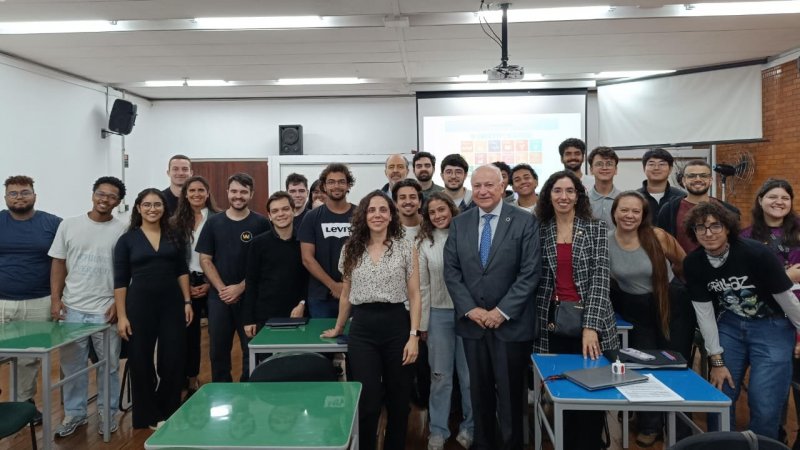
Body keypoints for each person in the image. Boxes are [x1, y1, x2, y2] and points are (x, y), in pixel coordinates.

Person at [443, 165, 540, 450]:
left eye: (489, 185)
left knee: (511, 395)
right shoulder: (460, 223)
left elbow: (530, 272)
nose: (483, 191)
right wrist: (471, 309)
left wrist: (501, 312)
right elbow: (452, 271)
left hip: (510, 325)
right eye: (478, 186)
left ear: (502, 187)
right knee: (478, 392)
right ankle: (483, 444)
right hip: (473, 324)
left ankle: (512, 445)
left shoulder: (524, 221)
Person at [684, 202, 800, 439]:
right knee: (721, 393)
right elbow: (704, 314)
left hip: (773, 326)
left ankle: (762, 445)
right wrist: (716, 361)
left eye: (715, 226)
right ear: (693, 232)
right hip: (731, 326)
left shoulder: (755, 253)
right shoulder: (694, 263)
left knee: (765, 400)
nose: (709, 233)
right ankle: (722, 445)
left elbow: (787, 300)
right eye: (700, 228)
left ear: (727, 228)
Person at [321, 190, 421, 450]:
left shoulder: (404, 248)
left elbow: (414, 294)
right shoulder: (350, 248)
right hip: (363, 328)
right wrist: (339, 327)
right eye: (371, 210)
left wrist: (414, 336)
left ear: (391, 215)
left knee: (399, 400)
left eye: (383, 210)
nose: (377, 215)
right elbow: (346, 295)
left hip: (397, 325)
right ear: (363, 215)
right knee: (368, 400)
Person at [533, 170, 617, 450]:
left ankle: (592, 443)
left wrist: (590, 327)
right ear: (549, 195)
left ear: (578, 196)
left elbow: (600, 280)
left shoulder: (595, 228)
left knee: (591, 392)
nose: (564, 197)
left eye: (570, 191)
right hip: (551, 323)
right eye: (557, 191)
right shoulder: (539, 229)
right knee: (562, 391)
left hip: (589, 323)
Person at [49, 176, 127, 437]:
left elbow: (127, 271)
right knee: (73, 367)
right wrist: (55, 299)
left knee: (110, 366)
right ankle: (75, 414)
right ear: (93, 194)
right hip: (72, 308)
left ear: (118, 201)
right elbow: (58, 263)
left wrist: (119, 305)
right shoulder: (69, 225)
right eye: (101, 194)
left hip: (105, 310)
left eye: (112, 196)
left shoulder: (123, 229)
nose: (105, 199)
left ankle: (108, 412)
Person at [608, 191, 685, 447]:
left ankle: (679, 426)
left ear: (643, 215)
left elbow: (682, 264)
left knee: (675, 363)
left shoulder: (658, 236)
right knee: (644, 365)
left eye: (635, 211)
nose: (629, 215)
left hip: (670, 304)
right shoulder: (606, 242)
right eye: (624, 210)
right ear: (615, 212)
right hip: (634, 308)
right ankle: (650, 424)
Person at [114, 188, 193, 429]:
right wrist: (122, 316)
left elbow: (182, 270)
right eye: (147, 205)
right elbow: (120, 280)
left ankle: (168, 409)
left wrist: (188, 301)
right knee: (140, 359)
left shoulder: (175, 235)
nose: (152, 209)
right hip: (139, 305)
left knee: (173, 358)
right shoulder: (127, 240)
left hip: (172, 303)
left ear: (164, 208)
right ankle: (147, 414)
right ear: (138, 208)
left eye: (157, 204)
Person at [740, 179, 800, 444]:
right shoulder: (746, 237)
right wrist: (787, 275)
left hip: (797, 315)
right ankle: (775, 436)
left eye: (785, 198)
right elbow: (745, 281)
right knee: (772, 387)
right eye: (772, 196)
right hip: (765, 318)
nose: (779, 202)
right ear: (760, 200)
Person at [196, 173, 270, 382]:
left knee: (251, 349)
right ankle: (222, 395)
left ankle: (248, 393)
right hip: (219, 298)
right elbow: (205, 260)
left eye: (244, 192)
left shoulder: (261, 224)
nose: (239, 196)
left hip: (250, 298)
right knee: (218, 352)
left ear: (251, 194)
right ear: (227, 192)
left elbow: (265, 265)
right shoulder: (213, 224)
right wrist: (222, 289)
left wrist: (240, 287)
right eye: (235, 191)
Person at [0, 175, 61, 423]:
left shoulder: (52, 223)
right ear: (6, 198)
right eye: (13, 193)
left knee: (29, 358)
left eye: (24, 192)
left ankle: (24, 404)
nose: (19, 197)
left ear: (34, 195)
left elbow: (63, 260)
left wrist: (59, 298)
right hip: (2, 301)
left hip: (40, 301)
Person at [417, 192, 473, 450]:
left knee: (469, 376)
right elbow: (423, 287)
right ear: (427, 217)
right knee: (440, 376)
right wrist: (424, 323)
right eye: (432, 212)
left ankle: (470, 427)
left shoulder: (468, 236)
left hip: (469, 314)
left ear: (451, 209)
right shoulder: (424, 243)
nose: (438, 215)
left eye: (442, 210)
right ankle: (437, 430)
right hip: (438, 315)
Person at [171, 175, 219, 394]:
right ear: (185, 194)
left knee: (218, 333)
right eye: (192, 191)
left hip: (212, 280)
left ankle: (220, 379)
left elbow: (223, 256)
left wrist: (211, 283)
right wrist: (184, 286)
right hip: (184, 282)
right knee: (188, 335)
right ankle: (190, 378)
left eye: (201, 190)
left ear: (208, 193)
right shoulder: (173, 223)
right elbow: (171, 257)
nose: (197, 194)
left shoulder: (218, 219)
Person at [243, 191, 308, 338]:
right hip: (265, 317)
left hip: (297, 313)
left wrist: (303, 304)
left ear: (293, 211)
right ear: (269, 216)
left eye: (285, 209)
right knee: (268, 361)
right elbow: (251, 282)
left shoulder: (305, 243)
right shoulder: (258, 244)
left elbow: (309, 279)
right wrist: (248, 319)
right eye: (275, 211)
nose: (281, 214)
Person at [298, 163, 356, 318]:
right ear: (324, 186)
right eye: (331, 182)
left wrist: (345, 286)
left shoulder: (360, 215)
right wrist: (333, 285)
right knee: (322, 340)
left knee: (354, 341)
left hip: (355, 293)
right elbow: (307, 258)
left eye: (341, 181)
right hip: (320, 297)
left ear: (348, 185)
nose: (336, 186)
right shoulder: (311, 217)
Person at [657, 160, 739, 253]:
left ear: (710, 180)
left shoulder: (729, 210)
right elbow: (662, 243)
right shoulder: (669, 210)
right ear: (683, 180)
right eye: (691, 176)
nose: (698, 179)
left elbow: (735, 244)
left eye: (703, 176)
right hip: (682, 266)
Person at [637, 148, 685, 222]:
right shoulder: (635, 197)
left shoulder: (681, 197)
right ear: (644, 168)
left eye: (662, 164)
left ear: (670, 169)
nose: (656, 168)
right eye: (651, 164)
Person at [587, 146, 621, 228]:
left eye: (609, 164)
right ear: (591, 170)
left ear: (616, 170)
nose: (604, 168)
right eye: (599, 164)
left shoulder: (623, 199)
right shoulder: (584, 200)